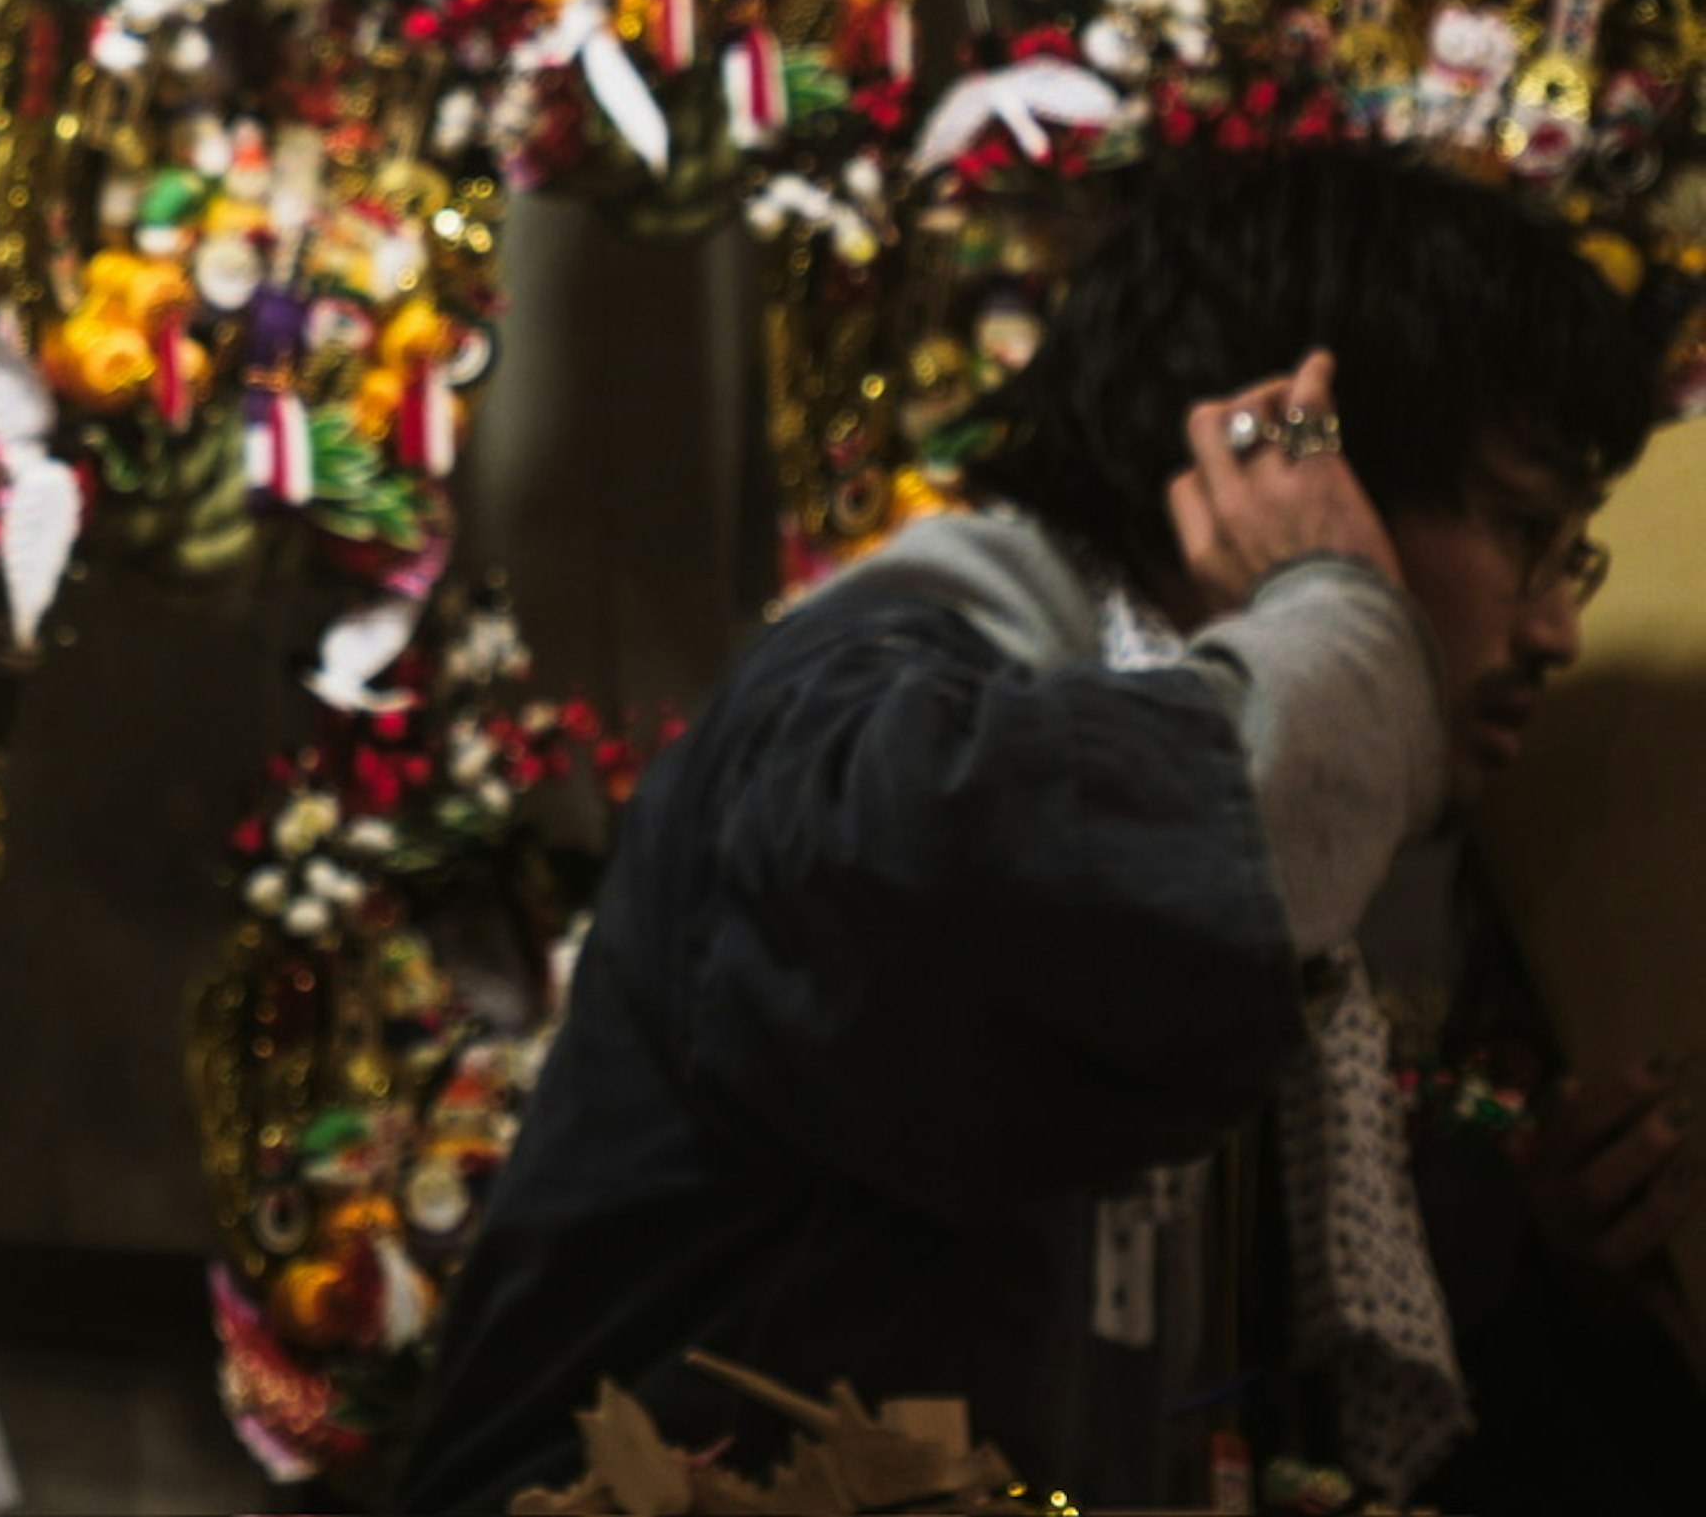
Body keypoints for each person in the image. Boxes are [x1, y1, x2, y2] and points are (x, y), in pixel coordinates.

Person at [398, 142, 1693, 1514]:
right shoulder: (873, 714)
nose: (1556, 624)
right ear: (1302, 455)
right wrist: (1342, 616)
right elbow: (1111, 921)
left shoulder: (1225, 853)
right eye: (1525, 529)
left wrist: (1550, 1260)